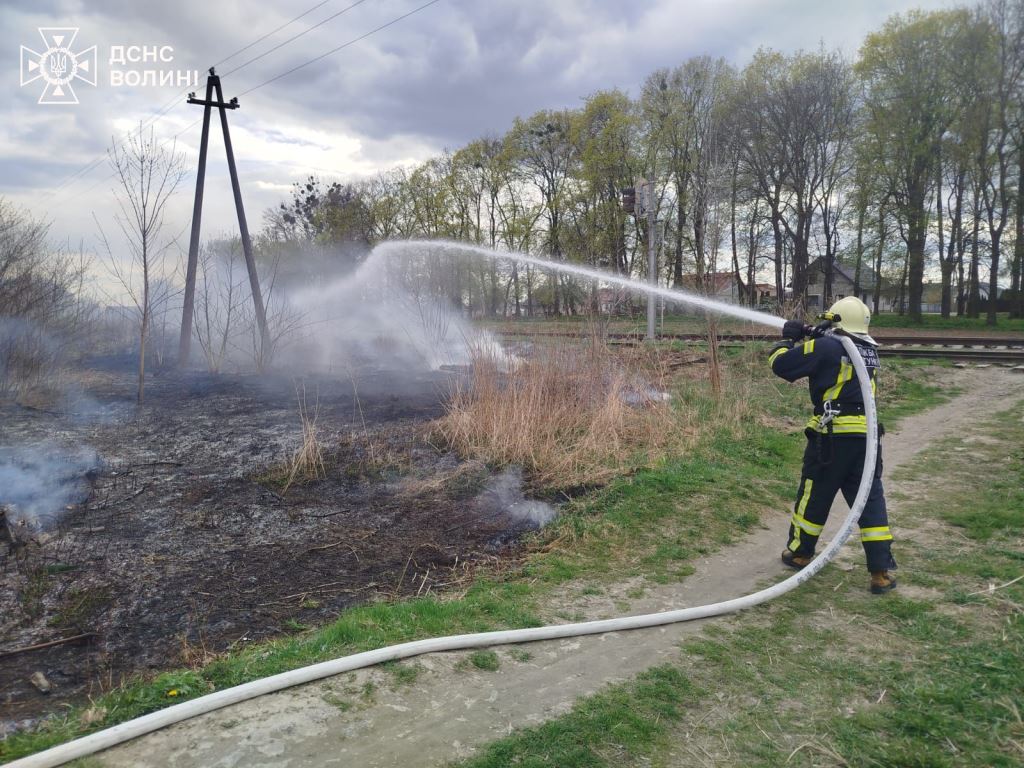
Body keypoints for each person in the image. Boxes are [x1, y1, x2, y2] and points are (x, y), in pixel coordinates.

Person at [768, 296, 897, 594]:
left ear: (835, 321)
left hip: (832, 439)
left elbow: (781, 365)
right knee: (869, 500)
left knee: (814, 496)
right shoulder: (867, 349)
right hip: (867, 440)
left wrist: (789, 338)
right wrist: (814, 332)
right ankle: (880, 573)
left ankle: (800, 553)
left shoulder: (827, 346)